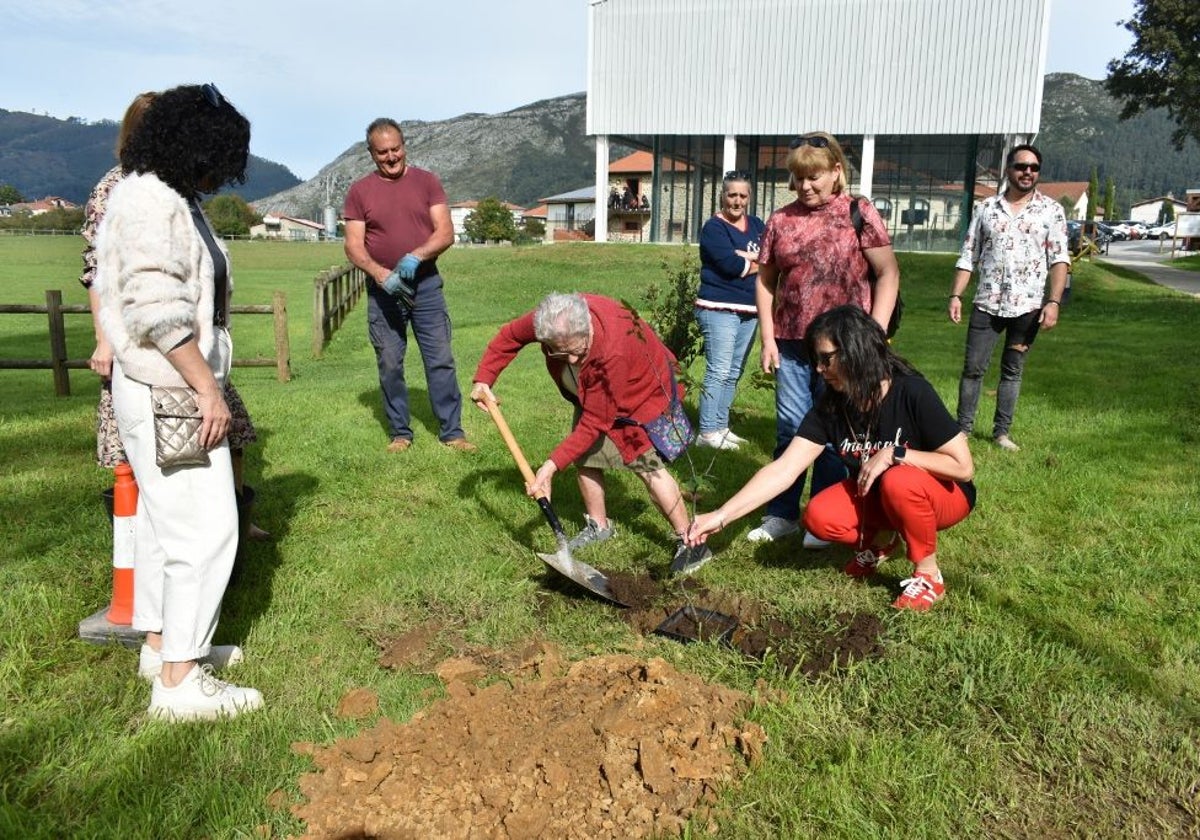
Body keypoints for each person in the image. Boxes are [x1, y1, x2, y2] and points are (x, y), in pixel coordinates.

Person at [94, 83, 262, 720]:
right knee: (207, 529)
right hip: (169, 390)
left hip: (165, 387)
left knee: (170, 530)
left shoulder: (164, 196)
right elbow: (158, 310)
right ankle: (179, 683)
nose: (222, 174)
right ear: (195, 146)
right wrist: (207, 387)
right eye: (220, 158)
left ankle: (166, 646)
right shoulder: (149, 202)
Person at [686, 306, 975, 611]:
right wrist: (720, 516)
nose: (819, 370)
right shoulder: (831, 406)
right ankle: (885, 540)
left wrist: (895, 453)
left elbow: (963, 467)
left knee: (899, 478)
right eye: (816, 361)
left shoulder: (911, 392)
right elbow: (784, 469)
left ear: (855, 351)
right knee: (819, 517)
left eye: (826, 359)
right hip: (882, 494)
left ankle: (929, 575)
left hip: (944, 495)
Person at [80, 92, 269, 541]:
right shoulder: (144, 195)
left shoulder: (176, 193)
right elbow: (130, 289)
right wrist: (205, 387)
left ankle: (159, 599)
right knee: (197, 532)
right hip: (168, 370)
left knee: (186, 515)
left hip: (188, 363)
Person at [469, 292, 712, 575]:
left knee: (647, 466)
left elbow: (596, 422)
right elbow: (510, 336)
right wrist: (484, 379)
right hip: (593, 395)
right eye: (562, 353)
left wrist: (549, 467)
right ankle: (599, 527)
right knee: (585, 454)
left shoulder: (613, 349)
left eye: (578, 351)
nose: (572, 359)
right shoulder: (551, 322)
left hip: (642, 394)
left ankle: (691, 541)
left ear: (587, 328)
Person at [749, 132, 901, 546]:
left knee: (837, 435)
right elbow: (765, 282)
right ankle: (781, 514)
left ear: (836, 171)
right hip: (794, 345)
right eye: (798, 178)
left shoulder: (859, 212)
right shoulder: (780, 221)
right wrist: (767, 338)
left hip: (845, 349)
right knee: (789, 429)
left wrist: (875, 334)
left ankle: (821, 517)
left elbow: (887, 273)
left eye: (814, 176)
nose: (805, 186)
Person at [343, 117, 475, 453]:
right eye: (382, 152)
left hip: (426, 286)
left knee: (440, 359)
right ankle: (400, 433)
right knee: (389, 361)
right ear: (372, 154)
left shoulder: (427, 182)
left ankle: (452, 432)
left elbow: (445, 232)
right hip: (384, 291)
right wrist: (380, 274)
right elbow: (353, 246)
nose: (391, 157)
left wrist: (417, 256)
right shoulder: (360, 191)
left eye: (396, 149)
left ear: (405, 146)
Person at [948, 143, 1070, 452]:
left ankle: (1001, 433)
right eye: (1021, 166)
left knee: (1012, 370)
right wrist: (956, 295)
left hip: (1027, 305)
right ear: (1009, 170)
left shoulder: (1051, 211)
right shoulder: (986, 209)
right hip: (986, 303)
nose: (1027, 172)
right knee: (973, 368)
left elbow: (1059, 260)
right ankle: (963, 429)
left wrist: (1054, 302)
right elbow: (968, 255)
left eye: (1033, 168)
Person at [694, 170, 765, 450]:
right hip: (719, 309)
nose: (737, 201)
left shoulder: (758, 224)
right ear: (722, 195)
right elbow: (730, 266)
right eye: (732, 194)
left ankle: (721, 427)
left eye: (742, 195)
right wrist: (753, 260)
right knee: (719, 370)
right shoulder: (714, 228)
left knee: (734, 371)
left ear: (749, 197)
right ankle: (707, 432)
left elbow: (775, 256)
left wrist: (748, 257)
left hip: (750, 309)